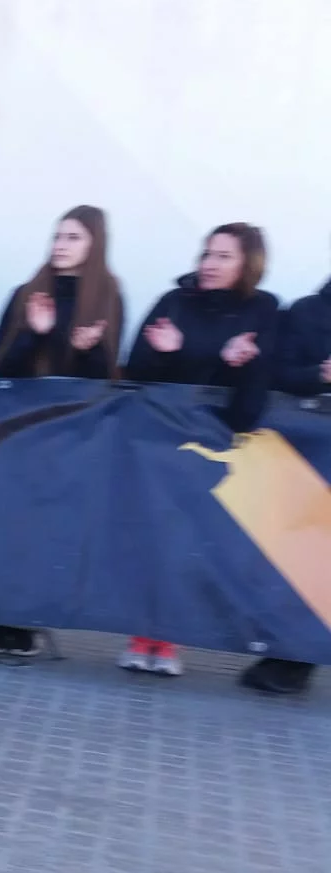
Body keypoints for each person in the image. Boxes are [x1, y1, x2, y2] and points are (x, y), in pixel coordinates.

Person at [122, 222, 280, 678]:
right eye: (207, 253)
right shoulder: (174, 302)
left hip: (213, 450)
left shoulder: (264, 309)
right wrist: (170, 354)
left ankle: (167, 641)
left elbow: (249, 406)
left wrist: (241, 365)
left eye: (223, 256)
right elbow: (137, 373)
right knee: (149, 539)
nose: (209, 264)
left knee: (188, 546)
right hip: (158, 440)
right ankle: (139, 635)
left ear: (248, 263)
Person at [0, 204, 125, 658]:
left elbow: (103, 381)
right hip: (22, 433)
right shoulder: (29, 292)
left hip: (71, 438)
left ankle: (28, 621)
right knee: (11, 528)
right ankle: (3, 620)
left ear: (94, 244)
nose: (60, 246)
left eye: (73, 238)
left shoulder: (106, 295)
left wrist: (85, 352)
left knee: (50, 531)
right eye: (57, 236)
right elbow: (2, 366)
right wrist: (37, 333)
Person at [238, 264, 331, 696]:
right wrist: (321, 375)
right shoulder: (309, 311)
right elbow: (278, 373)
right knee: (311, 556)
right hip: (314, 452)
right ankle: (293, 658)